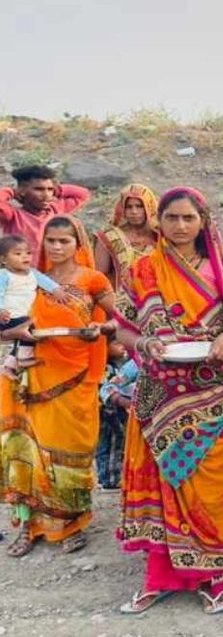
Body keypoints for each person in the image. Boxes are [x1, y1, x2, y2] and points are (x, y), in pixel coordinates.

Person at [114, 188, 223, 615]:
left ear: (203, 220)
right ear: (159, 221)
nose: (179, 225)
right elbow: (121, 329)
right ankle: (160, 577)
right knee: (163, 488)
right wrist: (146, 342)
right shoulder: (142, 270)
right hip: (159, 396)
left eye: (188, 217)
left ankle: (214, 577)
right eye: (171, 217)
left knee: (212, 490)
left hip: (215, 395)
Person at [0, 216, 116, 558]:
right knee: (27, 451)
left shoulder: (93, 279)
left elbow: (120, 319)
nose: (55, 246)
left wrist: (100, 329)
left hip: (75, 378)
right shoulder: (29, 280)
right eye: (50, 240)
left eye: (63, 240)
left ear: (78, 244)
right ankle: (29, 526)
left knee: (68, 453)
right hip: (30, 375)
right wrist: (12, 333)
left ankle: (70, 524)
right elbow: (8, 326)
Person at [0, 234, 67, 377]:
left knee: (33, 329)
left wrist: (56, 289)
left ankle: (9, 366)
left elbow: (46, 281)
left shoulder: (32, 273)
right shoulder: (4, 275)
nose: (25, 257)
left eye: (28, 253)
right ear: (3, 260)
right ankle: (23, 358)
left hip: (25, 316)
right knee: (34, 328)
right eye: (18, 254)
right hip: (8, 318)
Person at [0, 165, 91, 259]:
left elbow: (83, 194)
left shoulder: (56, 210)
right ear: (22, 190)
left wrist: (58, 191)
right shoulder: (13, 216)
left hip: (51, 270)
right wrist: (11, 192)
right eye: (39, 189)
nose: (46, 195)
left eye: (50, 189)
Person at [94, 183, 159, 308]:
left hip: (158, 303)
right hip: (120, 304)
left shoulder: (161, 236)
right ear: (122, 209)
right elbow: (99, 276)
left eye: (139, 206)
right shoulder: (110, 235)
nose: (134, 212)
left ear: (149, 206)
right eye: (129, 207)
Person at [97, 338, 137, 490]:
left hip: (117, 411)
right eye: (117, 344)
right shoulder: (108, 368)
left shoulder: (121, 365)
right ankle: (110, 480)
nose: (123, 347)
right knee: (113, 442)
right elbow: (107, 388)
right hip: (110, 412)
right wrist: (124, 402)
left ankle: (109, 478)